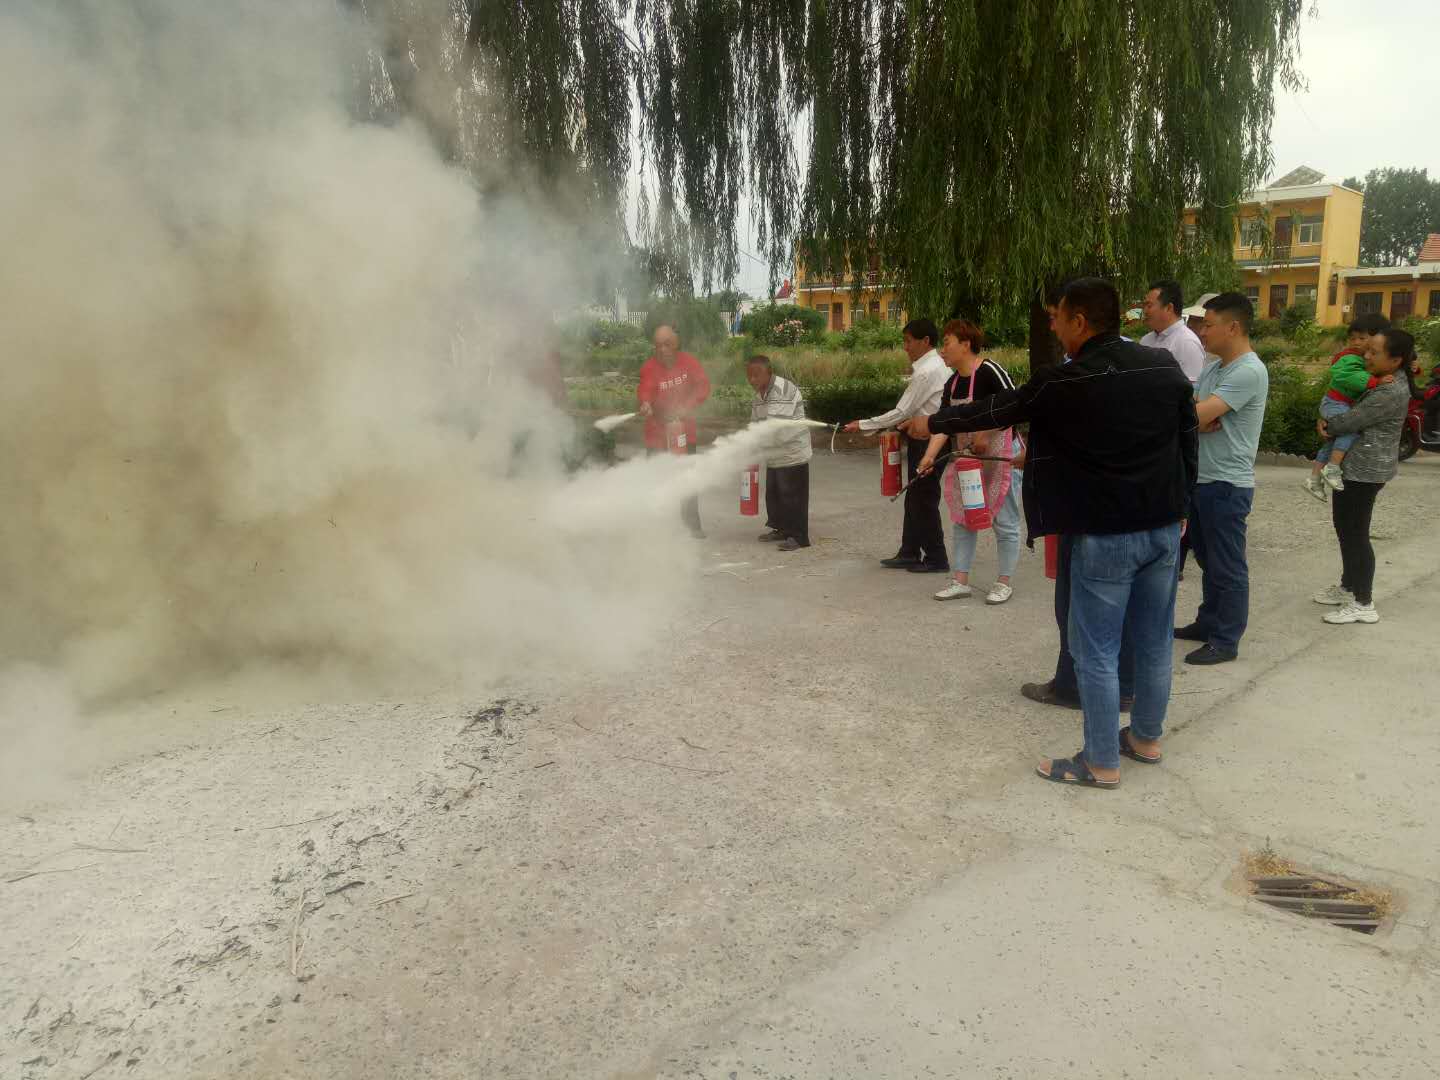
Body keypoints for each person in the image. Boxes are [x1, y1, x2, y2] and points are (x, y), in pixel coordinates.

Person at [903, 278, 1197, 789]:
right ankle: (1145, 738)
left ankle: (1100, 762)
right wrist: (1183, 506)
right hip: (1163, 527)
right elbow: (1186, 436)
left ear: (1080, 321)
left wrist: (934, 423)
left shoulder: (1065, 378)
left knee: (1096, 649)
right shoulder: (1162, 366)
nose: (1054, 327)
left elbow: (998, 409)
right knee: (1152, 641)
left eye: (1058, 318)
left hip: (1105, 534)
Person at [1175, 292, 1269, 666]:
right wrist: (1197, 417)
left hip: (1227, 484)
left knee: (1227, 565)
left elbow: (1195, 415)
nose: (1202, 332)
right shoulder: (1215, 368)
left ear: (1233, 327)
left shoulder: (1248, 370)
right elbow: (1190, 412)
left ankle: (1226, 639)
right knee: (1207, 559)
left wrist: (1197, 417)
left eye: (1209, 325)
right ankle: (1208, 622)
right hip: (1202, 478)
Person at [1312, 329, 1416, 624]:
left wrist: (1328, 424)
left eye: (1374, 352)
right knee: (1345, 528)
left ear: (1395, 360)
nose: (1366, 356)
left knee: (1355, 533)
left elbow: (1352, 420)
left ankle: (1363, 602)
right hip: (1357, 468)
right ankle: (1348, 586)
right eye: (1367, 350)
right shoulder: (1384, 380)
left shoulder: (1390, 390)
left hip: (1365, 471)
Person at [915, 319, 1022, 605]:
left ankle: (1004, 582)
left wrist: (984, 433)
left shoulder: (990, 371)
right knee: (964, 518)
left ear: (965, 344)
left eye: (946, 343)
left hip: (1000, 457)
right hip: (969, 462)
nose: (942, 350)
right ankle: (960, 581)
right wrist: (929, 456)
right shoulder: (952, 384)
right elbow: (944, 424)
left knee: (1005, 521)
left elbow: (1015, 406)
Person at [842, 318, 950, 572]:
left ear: (925, 341)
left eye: (908, 341)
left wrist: (864, 424)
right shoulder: (933, 366)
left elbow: (902, 411)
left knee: (923, 499)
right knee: (914, 497)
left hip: (929, 443)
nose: (905, 347)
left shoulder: (928, 371)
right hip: (923, 439)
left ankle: (936, 558)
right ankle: (909, 551)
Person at [1304, 313, 1391, 500]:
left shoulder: (1362, 359)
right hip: (1337, 402)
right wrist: (1375, 382)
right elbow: (1349, 376)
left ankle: (1314, 478)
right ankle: (1332, 468)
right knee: (1349, 431)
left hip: (1339, 403)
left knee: (1332, 442)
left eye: (1362, 338)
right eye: (1353, 338)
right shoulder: (1350, 357)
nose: (1356, 342)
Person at [637, 324, 711, 538]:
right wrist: (645, 403)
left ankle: (692, 527)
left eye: (667, 344)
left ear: (676, 344)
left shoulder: (689, 362)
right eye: (658, 345)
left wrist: (687, 406)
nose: (662, 349)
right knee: (657, 481)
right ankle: (659, 528)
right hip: (657, 435)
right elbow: (645, 389)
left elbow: (703, 387)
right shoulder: (649, 367)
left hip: (683, 433)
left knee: (687, 480)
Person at [746, 354, 812, 551]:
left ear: (769, 373)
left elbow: (775, 429)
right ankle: (781, 529)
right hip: (774, 454)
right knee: (774, 494)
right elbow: (755, 425)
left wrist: (755, 446)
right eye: (749, 375)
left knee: (792, 496)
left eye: (757, 374)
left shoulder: (782, 390)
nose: (752, 379)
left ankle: (799, 537)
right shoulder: (760, 395)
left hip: (792, 453)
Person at [1140, 279, 1207, 385]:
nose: (1145, 311)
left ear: (1168, 308)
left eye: (1149, 306)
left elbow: (1191, 390)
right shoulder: (1146, 340)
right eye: (1144, 306)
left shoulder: (1187, 343)